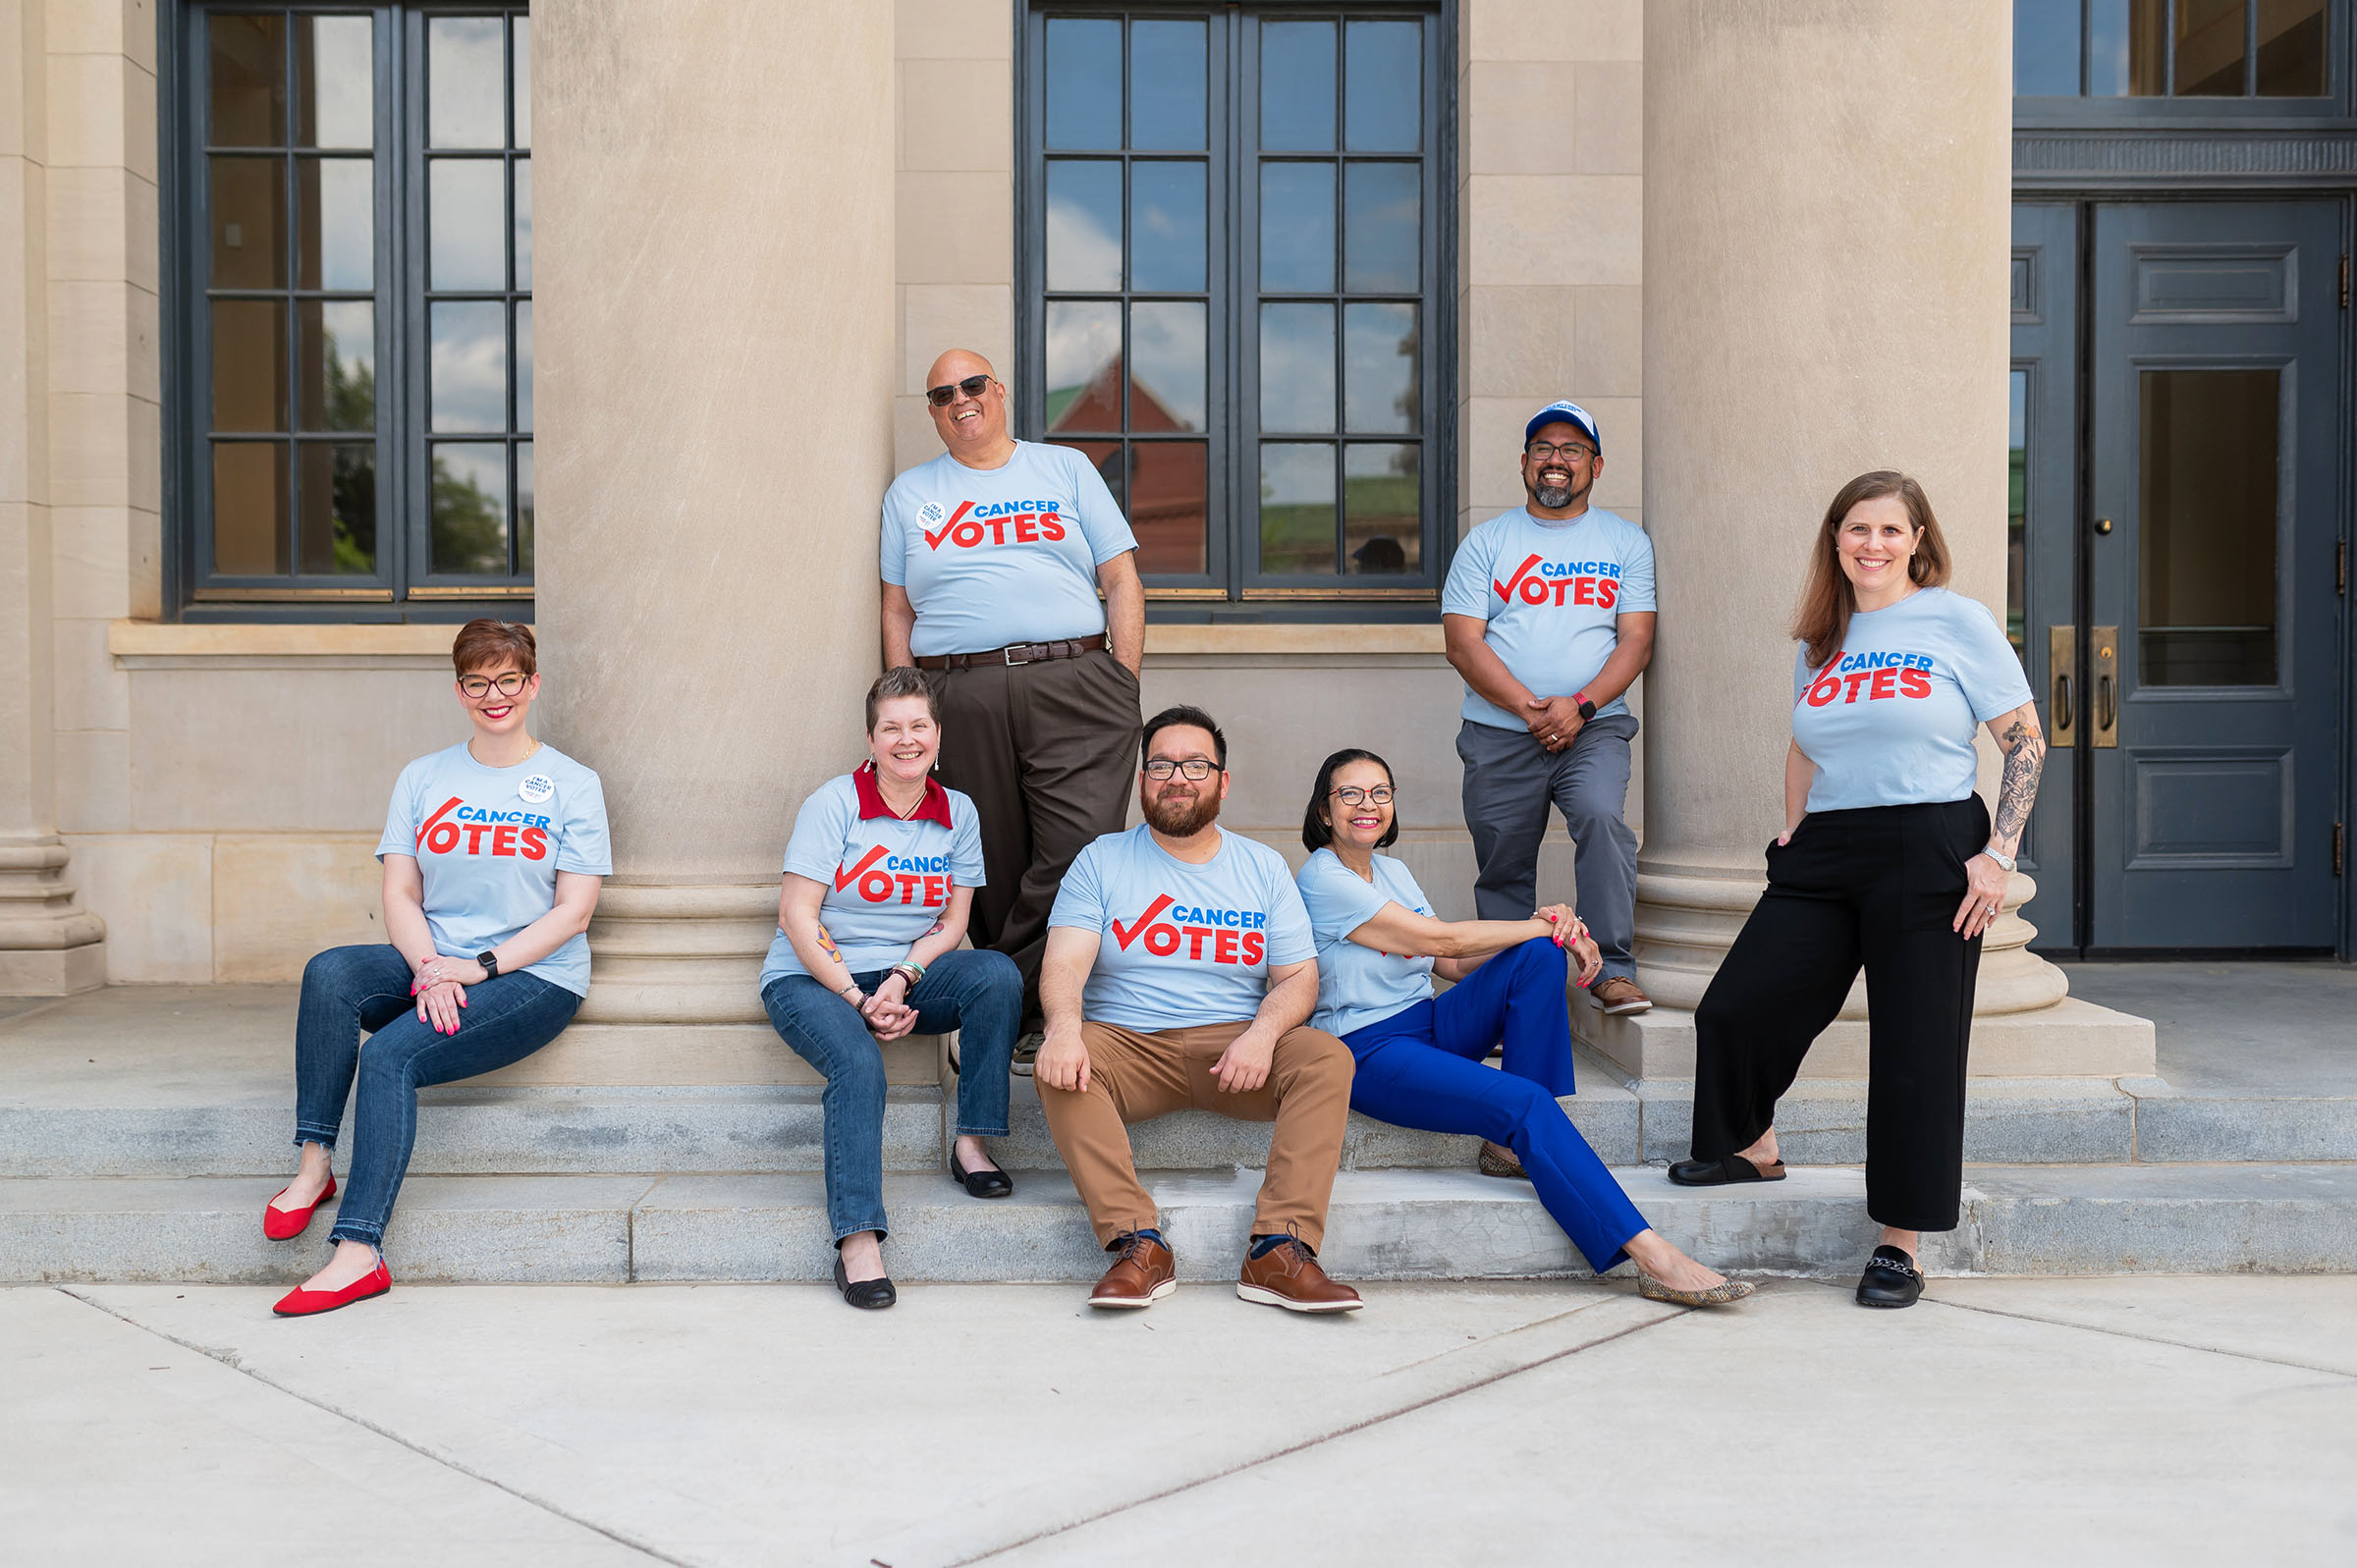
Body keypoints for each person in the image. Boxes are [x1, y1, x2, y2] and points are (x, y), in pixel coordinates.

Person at [1671, 471, 2046, 1311]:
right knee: (1737, 1005)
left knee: (1915, 1046)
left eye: (1889, 530)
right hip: (1829, 848)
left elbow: (2026, 740)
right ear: (1834, 538)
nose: (1871, 544)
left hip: (1932, 842)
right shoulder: (1821, 638)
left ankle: (1900, 1242)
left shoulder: (1956, 618)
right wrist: (1792, 825)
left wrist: (1999, 854)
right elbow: (1807, 743)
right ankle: (1752, 1142)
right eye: (1855, 529)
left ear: (1918, 539)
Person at [1294, 748, 1753, 1308]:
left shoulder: (1393, 871)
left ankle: (1510, 1147)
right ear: (1324, 810)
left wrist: (1550, 931)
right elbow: (1444, 942)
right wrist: (1542, 922)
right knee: (1528, 1102)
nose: (1368, 805)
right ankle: (1654, 1257)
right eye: (1350, 794)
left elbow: (1455, 968)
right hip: (1369, 1050)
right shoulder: (1323, 879)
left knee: (1536, 954)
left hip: (1430, 1024)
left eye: (1380, 792)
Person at [263, 620, 609, 1318]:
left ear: (532, 684)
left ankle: (358, 1251)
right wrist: (429, 965)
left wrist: (474, 968)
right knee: (329, 972)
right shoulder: (424, 776)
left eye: (508, 679)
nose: (494, 694)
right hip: (433, 955)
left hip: (531, 977)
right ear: (459, 690)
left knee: (391, 1055)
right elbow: (400, 891)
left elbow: (573, 912)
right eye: (478, 681)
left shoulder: (572, 783)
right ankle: (314, 1164)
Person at [1034, 706, 1363, 1314]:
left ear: (1222, 781)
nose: (1176, 778)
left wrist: (1263, 1034)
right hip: (1129, 1045)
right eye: (1160, 764)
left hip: (1238, 1051)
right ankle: (1139, 1245)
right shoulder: (1102, 859)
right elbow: (1064, 964)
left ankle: (1278, 1252)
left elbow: (1298, 977)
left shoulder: (1262, 867)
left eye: (1194, 765)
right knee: (1060, 1062)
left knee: (1325, 1057)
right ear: (1141, 781)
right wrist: (1062, 1028)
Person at [881, 349, 1146, 1069]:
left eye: (972, 385)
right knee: (991, 858)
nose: (960, 400)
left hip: (1074, 680)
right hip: (958, 690)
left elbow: (1120, 578)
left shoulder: (1063, 468)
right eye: (942, 394)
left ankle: (1001, 1003)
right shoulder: (910, 493)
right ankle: (1030, 1016)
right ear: (932, 411)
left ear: (999, 390)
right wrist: (907, 707)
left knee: (1079, 848)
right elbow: (897, 607)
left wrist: (1122, 680)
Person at [759, 668, 1022, 1310]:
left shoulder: (958, 812)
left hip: (905, 973)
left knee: (997, 975)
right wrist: (856, 996)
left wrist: (905, 977)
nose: (907, 740)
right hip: (812, 977)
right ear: (871, 738)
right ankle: (858, 1238)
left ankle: (971, 1142)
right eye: (892, 728)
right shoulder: (834, 804)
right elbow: (799, 916)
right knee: (858, 1063)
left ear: (938, 733)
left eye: (919, 726)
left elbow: (954, 922)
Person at [1443, 400, 1658, 1016]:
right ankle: (1513, 995)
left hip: (1595, 726)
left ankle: (1610, 969)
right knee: (1504, 860)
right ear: (1524, 463)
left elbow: (1636, 639)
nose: (1556, 461)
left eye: (1571, 450)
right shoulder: (1487, 542)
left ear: (1595, 465)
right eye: (1544, 449)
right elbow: (1462, 641)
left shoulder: (1626, 542)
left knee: (1600, 818)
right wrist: (1531, 709)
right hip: (1499, 732)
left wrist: (1581, 707)